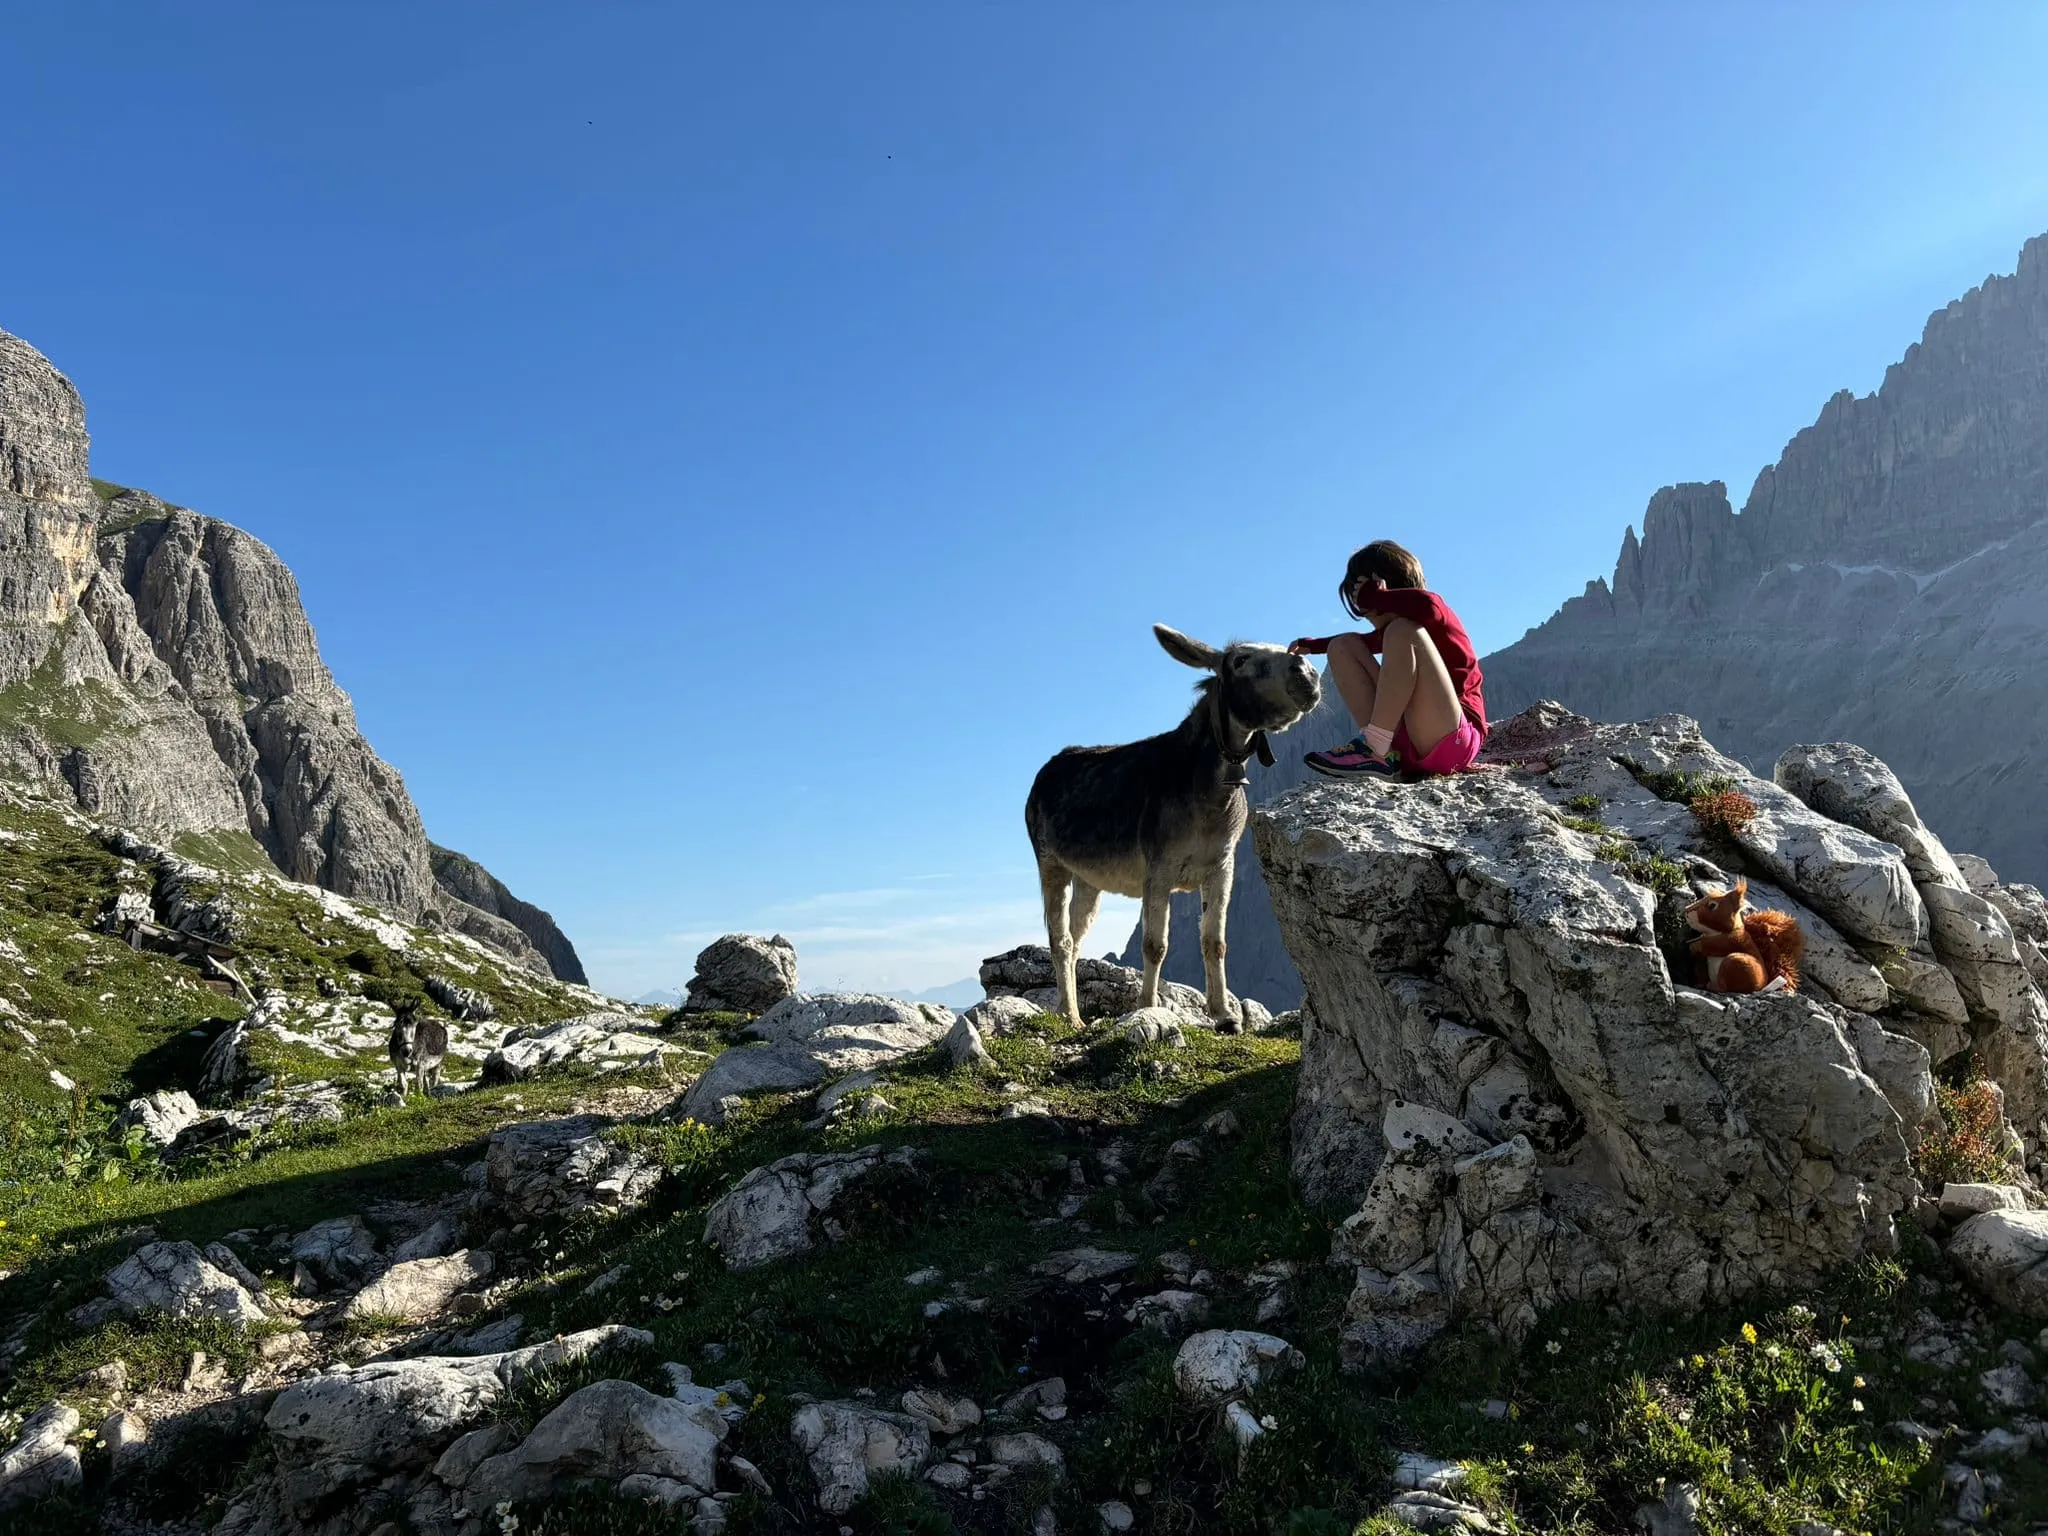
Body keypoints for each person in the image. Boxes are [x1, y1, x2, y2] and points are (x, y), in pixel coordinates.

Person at [1289, 540, 1487, 779]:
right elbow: (1366, 641)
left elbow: (1427, 605)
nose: (1368, 616)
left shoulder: (1432, 616)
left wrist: (1378, 597)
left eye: (1366, 607)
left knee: (1402, 630)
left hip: (1452, 740)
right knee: (1342, 646)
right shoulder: (1394, 635)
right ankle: (1381, 753)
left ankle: (1375, 743)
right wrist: (1314, 645)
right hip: (1406, 749)